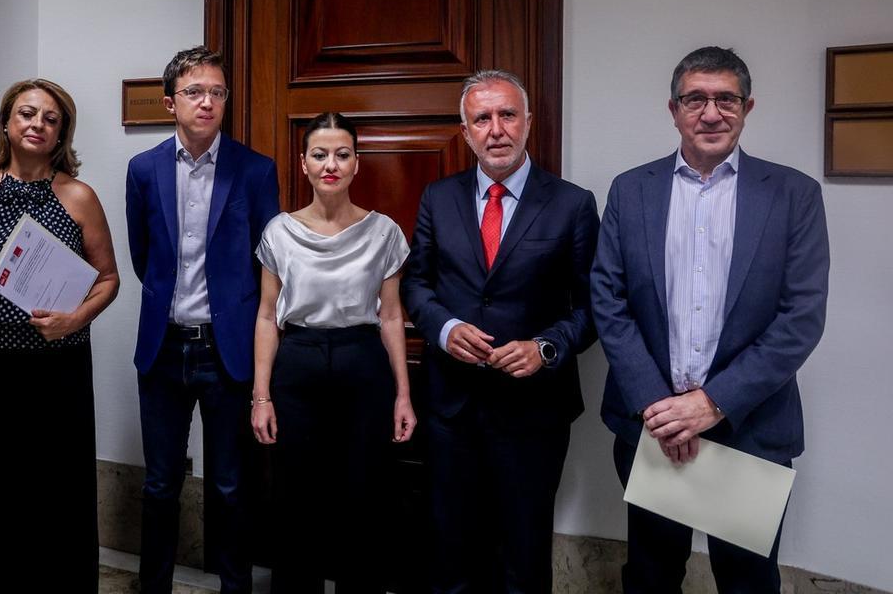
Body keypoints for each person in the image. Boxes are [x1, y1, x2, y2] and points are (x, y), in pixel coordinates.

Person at [591, 46, 828, 593]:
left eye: (726, 99)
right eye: (695, 99)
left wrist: (708, 405)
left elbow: (801, 318)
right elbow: (608, 299)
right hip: (652, 428)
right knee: (651, 574)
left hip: (748, 427)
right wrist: (659, 407)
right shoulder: (632, 190)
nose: (711, 113)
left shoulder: (793, 196)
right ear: (673, 110)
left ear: (748, 107)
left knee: (747, 581)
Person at [402, 69, 600, 594]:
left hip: (533, 411)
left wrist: (546, 347)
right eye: (482, 118)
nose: (496, 129)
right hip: (452, 407)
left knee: (523, 553)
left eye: (507, 114)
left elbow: (594, 307)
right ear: (465, 131)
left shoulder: (573, 204)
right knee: (450, 549)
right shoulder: (437, 198)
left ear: (529, 123)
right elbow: (415, 286)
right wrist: (443, 329)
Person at [0, 78, 119, 591]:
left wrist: (74, 319)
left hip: (57, 367)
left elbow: (109, 279)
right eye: (27, 114)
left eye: (50, 118)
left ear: (62, 132)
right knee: (0, 490)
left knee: (60, 491)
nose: (37, 124)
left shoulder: (78, 196)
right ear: (6, 123)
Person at [125, 46, 279, 594]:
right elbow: (143, 257)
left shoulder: (256, 170)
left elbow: (270, 261)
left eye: (217, 91)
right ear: (170, 103)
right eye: (195, 91)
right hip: (163, 348)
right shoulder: (142, 170)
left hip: (228, 349)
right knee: (161, 485)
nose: (208, 101)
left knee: (231, 487)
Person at [250, 111, 416, 593]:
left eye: (342, 155)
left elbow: (390, 317)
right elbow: (266, 316)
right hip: (297, 363)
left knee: (363, 498)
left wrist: (403, 394)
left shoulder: (384, 232)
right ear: (303, 164)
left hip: (363, 364)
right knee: (296, 499)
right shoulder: (279, 231)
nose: (331, 164)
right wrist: (261, 395)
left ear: (356, 163)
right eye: (320, 154)